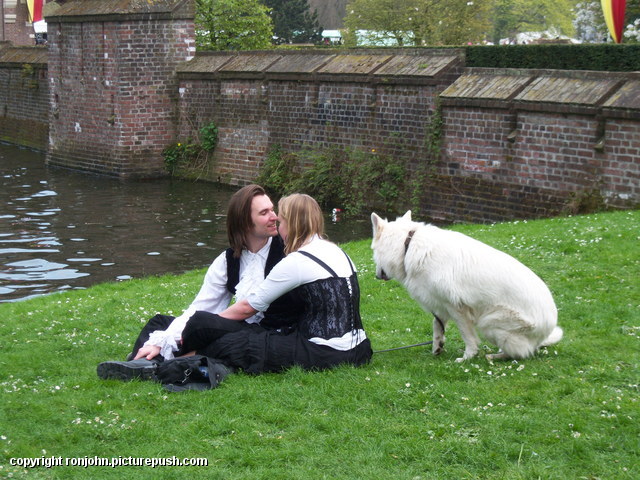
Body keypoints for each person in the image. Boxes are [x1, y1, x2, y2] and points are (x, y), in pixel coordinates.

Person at [97, 184, 301, 380]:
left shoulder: (288, 251)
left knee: (204, 326)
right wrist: (164, 338)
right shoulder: (228, 260)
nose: (275, 217)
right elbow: (204, 304)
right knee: (160, 323)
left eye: (272, 210)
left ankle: (151, 364)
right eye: (264, 213)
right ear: (245, 222)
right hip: (241, 325)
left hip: (272, 334)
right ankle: (143, 362)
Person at [178, 193, 372, 374]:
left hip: (324, 351)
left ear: (291, 224)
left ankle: (182, 359)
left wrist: (211, 323)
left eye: (281, 221)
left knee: (235, 344)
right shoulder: (336, 251)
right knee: (240, 336)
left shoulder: (297, 260)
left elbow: (247, 308)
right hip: (360, 348)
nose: (278, 227)